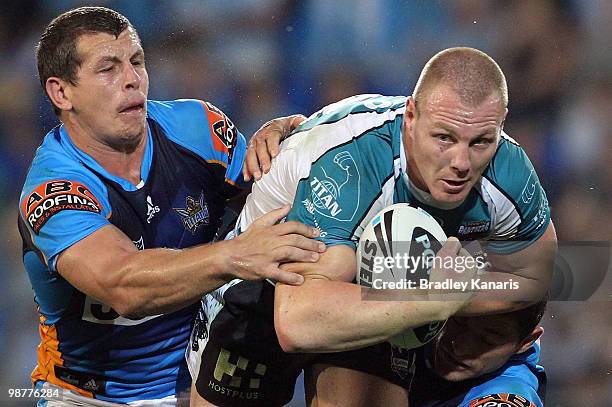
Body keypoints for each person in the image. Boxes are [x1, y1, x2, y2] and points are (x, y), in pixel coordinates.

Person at [188, 47, 558, 407]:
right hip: (263, 287)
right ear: (410, 116)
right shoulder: (352, 164)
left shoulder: (511, 176)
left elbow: (535, 278)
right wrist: (436, 297)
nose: (461, 162)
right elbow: (297, 322)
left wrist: (458, 288)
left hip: (380, 289)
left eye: (481, 142)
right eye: (444, 138)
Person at [18, 6, 324, 406]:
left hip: (206, 380)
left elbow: (268, 199)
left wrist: (286, 141)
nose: (132, 80)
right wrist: (234, 256)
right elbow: (124, 285)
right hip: (93, 397)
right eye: (108, 69)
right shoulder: (53, 192)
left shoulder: (200, 129)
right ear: (62, 93)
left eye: (137, 61)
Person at [409, 300, 547, 407]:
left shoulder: (507, 394)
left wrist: (394, 376)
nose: (460, 348)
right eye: (458, 322)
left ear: (525, 342)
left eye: (487, 340)